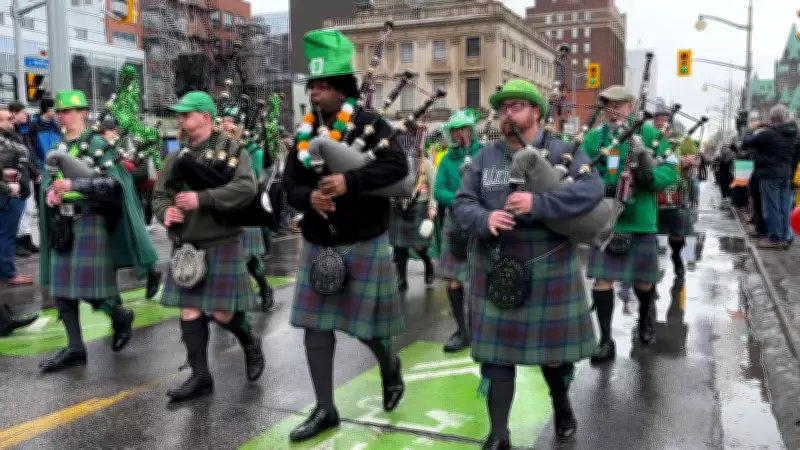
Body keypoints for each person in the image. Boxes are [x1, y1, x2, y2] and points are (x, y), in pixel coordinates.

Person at [453, 79, 602, 448]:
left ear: (536, 111)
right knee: (496, 359)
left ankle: (561, 402)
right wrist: (484, 220)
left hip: (548, 260)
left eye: (517, 106)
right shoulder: (487, 157)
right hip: (498, 262)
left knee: (553, 359)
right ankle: (499, 434)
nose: (508, 114)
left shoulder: (562, 149)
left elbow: (591, 191)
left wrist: (540, 205)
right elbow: (462, 202)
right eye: (504, 108)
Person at [282, 29, 407, 442]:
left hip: (362, 240)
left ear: (342, 89)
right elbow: (290, 186)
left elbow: (397, 168)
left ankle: (389, 366)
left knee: (365, 328)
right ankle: (325, 408)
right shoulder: (304, 134)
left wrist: (349, 182)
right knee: (316, 326)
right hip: (319, 242)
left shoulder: (372, 125)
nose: (314, 93)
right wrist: (310, 199)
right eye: (312, 86)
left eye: (322, 86)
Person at [153, 91, 265, 401]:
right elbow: (160, 195)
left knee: (220, 312)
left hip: (221, 241)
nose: (181, 119)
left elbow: (246, 188)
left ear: (205, 117)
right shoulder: (176, 156)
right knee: (189, 309)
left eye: (186, 114)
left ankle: (249, 340)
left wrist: (203, 198)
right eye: (179, 115)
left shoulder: (232, 150)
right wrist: (166, 213)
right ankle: (201, 377)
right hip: (187, 244)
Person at [38, 90, 157, 372]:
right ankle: (75, 348)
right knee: (61, 290)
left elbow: (115, 187)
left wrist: (74, 186)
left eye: (68, 111)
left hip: (91, 221)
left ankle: (119, 316)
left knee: (88, 287)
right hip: (63, 223)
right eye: (59, 111)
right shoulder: (58, 146)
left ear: (83, 113)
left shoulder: (98, 144)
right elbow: (46, 180)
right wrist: (49, 195)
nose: (62, 116)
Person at [582, 86, 678, 362]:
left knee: (644, 282)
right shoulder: (593, 138)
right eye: (609, 105)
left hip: (640, 221)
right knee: (602, 281)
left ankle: (645, 321)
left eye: (620, 105)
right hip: (606, 221)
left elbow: (670, 170)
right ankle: (605, 339)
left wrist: (649, 179)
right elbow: (582, 170)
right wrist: (600, 187)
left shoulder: (650, 135)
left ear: (631, 107)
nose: (614, 111)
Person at [434, 109, 481, 352]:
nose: (459, 134)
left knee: (478, 280)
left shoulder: (483, 155)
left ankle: (478, 330)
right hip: (455, 222)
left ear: (471, 130)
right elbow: (438, 189)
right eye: (455, 131)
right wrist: (459, 200)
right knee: (454, 280)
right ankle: (462, 331)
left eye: (463, 129)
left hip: (479, 222)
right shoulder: (447, 160)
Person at [220, 104, 274, 310]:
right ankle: (225, 301)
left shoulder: (253, 150)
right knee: (227, 256)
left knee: (246, 257)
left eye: (231, 121)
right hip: (222, 206)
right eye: (224, 120)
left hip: (246, 207)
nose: (226, 124)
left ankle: (262, 288)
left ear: (241, 126)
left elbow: (254, 181)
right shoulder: (216, 147)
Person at [742, 104, 798, 249]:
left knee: (771, 207)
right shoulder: (792, 133)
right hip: (786, 174)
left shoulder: (768, 134)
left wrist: (751, 129)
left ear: (772, 118)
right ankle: (786, 235)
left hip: (770, 175)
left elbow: (745, 143)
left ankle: (775, 238)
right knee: (785, 208)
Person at [389, 128, 436, 292]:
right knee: (399, 246)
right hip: (397, 206)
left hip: (419, 206)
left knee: (419, 245)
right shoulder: (394, 163)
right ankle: (402, 279)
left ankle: (428, 263)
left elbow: (433, 187)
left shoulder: (426, 163)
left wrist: (432, 207)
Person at [0, 105, 34, 286]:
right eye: (8, 119)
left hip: (15, 191)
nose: (12, 121)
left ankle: (6, 270)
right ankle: (7, 273)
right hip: (8, 194)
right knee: (6, 234)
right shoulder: (5, 143)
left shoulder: (12, 137)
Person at [9, 101, 40, 257]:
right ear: (13, 113)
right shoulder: (11, 132)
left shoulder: (23, 131)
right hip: (15, 175)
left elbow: (28, 154)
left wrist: (34, 172)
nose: (26, 115)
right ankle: (16, 242)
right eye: (23, 112)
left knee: (28, 209)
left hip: (25, 173)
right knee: (17, 210)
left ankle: (26, 237)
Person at [29, 98, 61, 210]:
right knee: (41, 204)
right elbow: (31, 150)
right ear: (47, 109)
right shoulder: (33, 127)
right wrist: (37, 169)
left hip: (57, 172)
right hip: (41, 171)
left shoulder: (57, 127)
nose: (57, 112)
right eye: (54, 109)